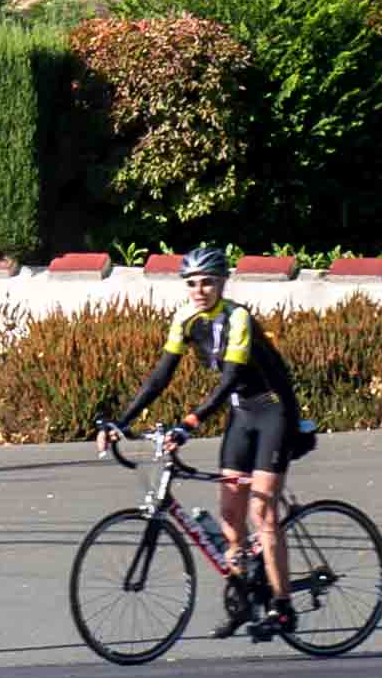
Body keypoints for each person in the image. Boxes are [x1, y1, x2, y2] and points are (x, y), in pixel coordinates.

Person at [108, 245, 308, 638]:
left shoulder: (238, 319)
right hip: (240, 414)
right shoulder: (185, 318)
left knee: (261, 515)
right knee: (231, 517)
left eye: (208, 282)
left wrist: (190, 423)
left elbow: (231, 377)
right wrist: (121, 421)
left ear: (222, 283)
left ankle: (284, 608)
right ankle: (246, 599)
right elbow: (159, 377)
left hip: (273, 412)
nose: (199, 290)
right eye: (192, 283)